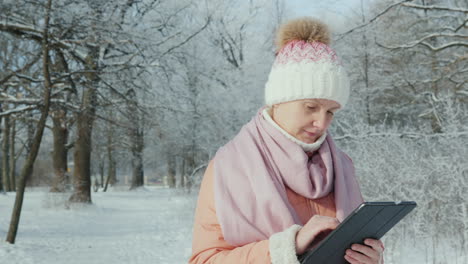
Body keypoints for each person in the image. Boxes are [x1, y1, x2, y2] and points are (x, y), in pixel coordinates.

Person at [188, 17, 385, 264]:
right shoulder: (228, 167)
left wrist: (368, 259)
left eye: (331, 111)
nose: (322, 123)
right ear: (279, 100)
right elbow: (204, 260)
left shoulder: (342, 166)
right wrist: (286, 248)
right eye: (311, 106)